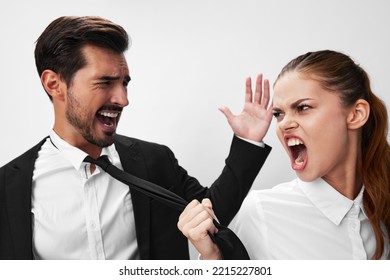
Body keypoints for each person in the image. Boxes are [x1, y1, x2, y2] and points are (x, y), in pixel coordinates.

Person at [0, 16, 273, 260]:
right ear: (53, 84)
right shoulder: (8, 187)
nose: (123, 99)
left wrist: (247, 142)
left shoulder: (155, 161)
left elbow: (210, 215)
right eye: (105, 82)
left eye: (125, 83)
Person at [178, 50, 390, 260]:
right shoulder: (260, 214)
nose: (284, 124)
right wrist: (213, 260)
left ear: (356, 114)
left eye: (303, 107)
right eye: (279, 114)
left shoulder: (382, 204)